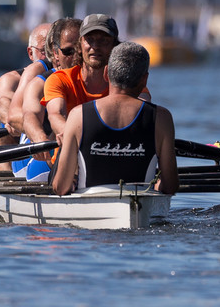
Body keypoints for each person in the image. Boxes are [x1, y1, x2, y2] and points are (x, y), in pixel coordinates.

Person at [52, 40, 177, 195]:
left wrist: (70, 180)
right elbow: (170, 186)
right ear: (144, 79)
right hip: (141, 203)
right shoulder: (162, 118)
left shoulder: (78, 115)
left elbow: (61, 187)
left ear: (106, 73)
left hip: (90, 202)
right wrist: (158, 186)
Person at [10, 16, 80, 182]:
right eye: (69, 51)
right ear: (55, 53)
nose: (76, 57)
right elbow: (17, 116)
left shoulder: (104, 77)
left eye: (79, 50)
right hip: (40, 155)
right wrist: (39, 138)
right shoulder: (39, 78)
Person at [42, 13, 118, 141]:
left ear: (115, 46)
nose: (95, 46)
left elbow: (144, 108)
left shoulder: (126, 81)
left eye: (104, 40)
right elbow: (56, 115)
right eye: (89, 39)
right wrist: (79, 139)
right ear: (80, 45)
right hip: (72, 152)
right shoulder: (59, 79)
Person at [0, 23, 50, 169]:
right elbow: (2, 103)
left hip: (51, 139)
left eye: (55, 47)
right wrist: (16, 121)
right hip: (27, 141)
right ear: (30, 53)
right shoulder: (12, 79)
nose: (51, 55)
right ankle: (8, 184)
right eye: (44, 50)